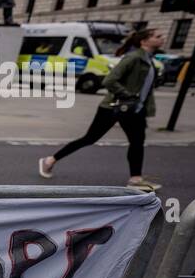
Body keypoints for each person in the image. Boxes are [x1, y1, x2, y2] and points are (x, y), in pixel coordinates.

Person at [39, 27, 164, 191]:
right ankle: (49, 160)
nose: (162, 38)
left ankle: (135, 179)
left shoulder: (148, 59)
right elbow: (109, 80)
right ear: (144, 41)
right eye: (157, 36)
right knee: (90, 138)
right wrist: (128, 95)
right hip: (114, 107)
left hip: (134, 109)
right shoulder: (133, 58)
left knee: (137, 142)